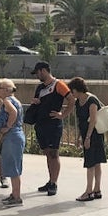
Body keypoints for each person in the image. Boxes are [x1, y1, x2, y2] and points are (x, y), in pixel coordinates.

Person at [30, 61, 73, 196]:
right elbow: (38, 102)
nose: (37, 76)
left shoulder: (58, 85)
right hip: (41, 124)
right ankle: (50, 180)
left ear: (43, 71)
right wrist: (36, 103)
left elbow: (71, 100)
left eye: (37, 73)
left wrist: (63, 114)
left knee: (54, 153)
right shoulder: (39, 88)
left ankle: (54, 183)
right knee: (47, 153)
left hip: (53, 125)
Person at [68, 77, 107, 202]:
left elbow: (93, 120)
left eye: (72, 91)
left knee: (92, 162)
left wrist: (88, 138)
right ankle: (96, 190)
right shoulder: (78, 102)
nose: (71, 94)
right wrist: (80, 137)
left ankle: (90, 191)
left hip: (94, 135)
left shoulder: (91, 100)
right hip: (86, 134)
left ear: (76, 89)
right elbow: (82, 122)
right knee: (95, 162)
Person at [0, 78, 25, 206]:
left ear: (6, 90)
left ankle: (16, 197)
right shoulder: (16, 101)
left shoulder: (7, 100)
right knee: (14, 166)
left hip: (12, 136)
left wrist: (7, 127)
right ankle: (14, 194)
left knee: (13, 167)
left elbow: (13, 112)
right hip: (16, 136)